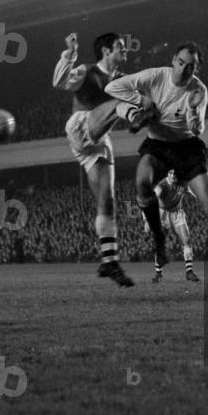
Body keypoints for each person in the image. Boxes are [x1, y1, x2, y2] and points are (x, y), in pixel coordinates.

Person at [105, 42, 208, 279]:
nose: (184, 69)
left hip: (187, 148)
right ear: (173, 60)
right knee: (141, 182)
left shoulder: (199, 91)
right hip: (158, 145)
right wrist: (141, 101)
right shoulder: (155, 76)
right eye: (181, 63)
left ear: (196, 69)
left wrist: (191, 109)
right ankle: (159, 239)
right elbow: (113, 86)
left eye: (191, 66)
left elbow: (198, 129)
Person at [54, 32, 143, 287]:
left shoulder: (121, 78)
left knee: (107, 200)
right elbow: (59, 82)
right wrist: (69, 54)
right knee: (119, 99)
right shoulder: (87, 71)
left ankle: (109, 262)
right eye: (120, 48)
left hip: (99, 141)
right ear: (106, 51)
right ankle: (134, 117)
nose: (124, 52)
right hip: (81, 126)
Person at [149, 170, 200, 283]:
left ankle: (189, 272)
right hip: (163, 215)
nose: (172, 175)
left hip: (177, 213)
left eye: (175, 173)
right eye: (170, 173)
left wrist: (201, 198)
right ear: (167, 174)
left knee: (187, 240)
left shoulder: (183, 183)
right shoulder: (162, 185)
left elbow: (193, 192)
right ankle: (158, 273)